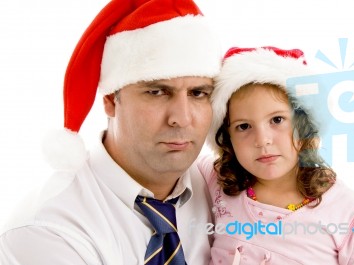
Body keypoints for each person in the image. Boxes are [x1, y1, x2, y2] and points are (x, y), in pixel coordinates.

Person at [0, 0, 221, 264]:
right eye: (157, 92)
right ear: (109, 100)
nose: (182, 118)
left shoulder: (227, 190)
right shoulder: (48, 230)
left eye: (198, 93)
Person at [198, 46, 354, 264]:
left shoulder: (347, 211)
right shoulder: (215, 180)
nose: (262, 139)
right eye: (244, 126)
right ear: (228, 139)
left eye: (277, 120)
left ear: (304, 126)